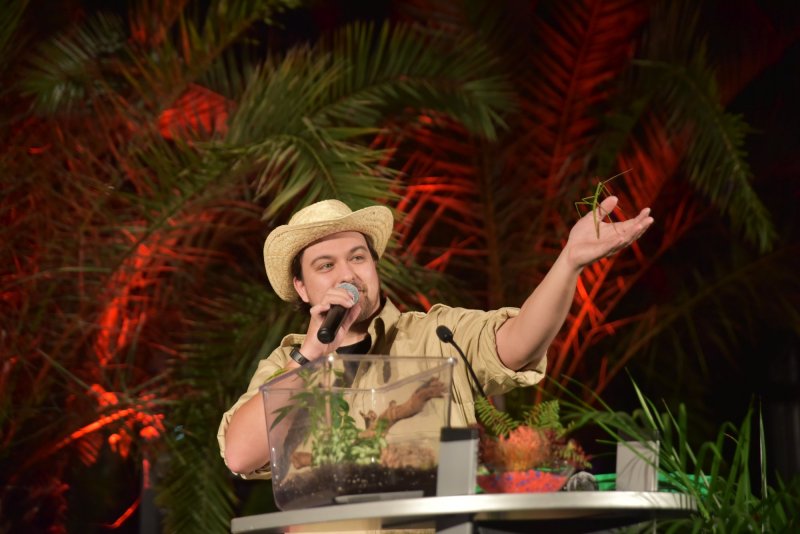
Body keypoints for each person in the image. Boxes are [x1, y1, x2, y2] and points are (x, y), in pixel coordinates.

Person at [218, 197, 653, 479]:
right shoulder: (287, 367)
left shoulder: (434, 334)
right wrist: (313, 354)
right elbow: (240, 455)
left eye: (357, 257)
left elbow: (517, 343)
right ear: (301, 287)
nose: (348, 273)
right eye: (325, 266)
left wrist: (569, 263)